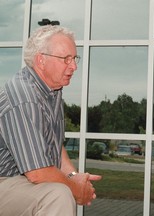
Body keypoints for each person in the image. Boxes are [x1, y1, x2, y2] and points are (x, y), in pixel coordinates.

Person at [0, 25, 102, 216]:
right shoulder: (25, 98)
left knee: (61, 189)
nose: (74, 66)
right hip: (4, 180)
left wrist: (73, 176)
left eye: (74, 58)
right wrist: (76, 189)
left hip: (18, 181)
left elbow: (53, 142)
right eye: (66, 59)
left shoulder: (51, 91)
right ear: (41, 60)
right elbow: (38, 172)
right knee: (58, 194)